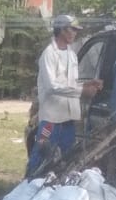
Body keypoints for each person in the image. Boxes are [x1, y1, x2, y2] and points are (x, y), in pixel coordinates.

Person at [25, 15, 102, 176]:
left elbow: (70, 83)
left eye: (75, 30)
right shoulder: (49, 54)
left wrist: (87, 85)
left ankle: (58, 185)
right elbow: (53, 86)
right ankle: (29, 184)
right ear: (61, 30)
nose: (74, 34)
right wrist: (82, 91)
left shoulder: (72, 55)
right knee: (41, 152)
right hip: (51, 118)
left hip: (68, 117)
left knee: (68, 156)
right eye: (71, 30)